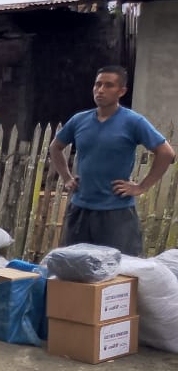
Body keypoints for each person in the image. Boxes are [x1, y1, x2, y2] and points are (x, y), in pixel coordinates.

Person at [48, 66, 174, 256]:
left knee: (119, 268)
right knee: (75, 265)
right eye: (97, 84)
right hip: (80, 209)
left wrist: (141, 187)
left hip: (116, 212)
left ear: (121, 91)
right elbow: (55, 147)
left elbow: (166, 153)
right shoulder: (79, 120)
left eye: (108, 85)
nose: (100, 90)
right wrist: (66, 177)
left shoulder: (133, 122)